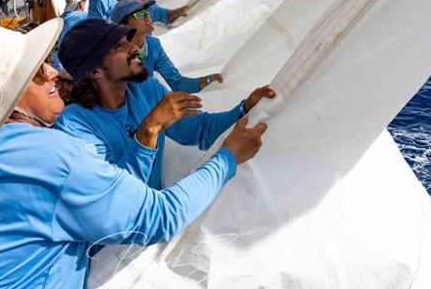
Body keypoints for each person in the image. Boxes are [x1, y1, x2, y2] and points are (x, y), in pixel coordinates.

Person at [0, 21, 267, 289]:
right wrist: (227, 158)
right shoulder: (58, 151)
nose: (54, 74)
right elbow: (158, 216)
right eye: (37, 71)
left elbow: (193, 131)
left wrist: (241, 110)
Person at [56, 18, 274, 189]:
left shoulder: (147, 89)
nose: (134, 49)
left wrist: (244, 109)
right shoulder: (74, 127)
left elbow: (199, 130)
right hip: (118, 242)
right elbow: (114, 197)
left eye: (128, 41)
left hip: (155, 211)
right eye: (119, 47)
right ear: (94, 71)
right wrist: (149, 129)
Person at [110, 0, 221, 93]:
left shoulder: (154, 46)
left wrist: (207, 80)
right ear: (123, 26)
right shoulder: (113, 54)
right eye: (139, 14)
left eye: (147, 11)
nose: (147, 16)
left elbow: (177, 82)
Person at [52, 0, 90, 69]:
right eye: (84, 1)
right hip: (69, 63)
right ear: (80, 4)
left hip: (58, 60)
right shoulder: (82, 16)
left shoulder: (63, 17)